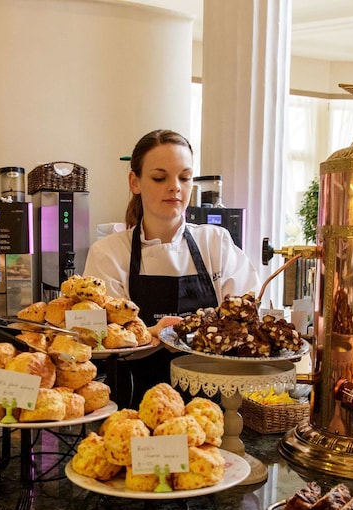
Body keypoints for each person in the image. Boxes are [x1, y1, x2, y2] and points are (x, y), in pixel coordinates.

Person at [82, 129, 260, 404]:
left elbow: (248, 314)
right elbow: (96, 338)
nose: (175, 187)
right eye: (159, 177)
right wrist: (152, 334)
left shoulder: (215, 243)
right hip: (133, 408)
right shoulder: (109, 253)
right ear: (134, 182)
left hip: (213, 405)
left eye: (184, 178)